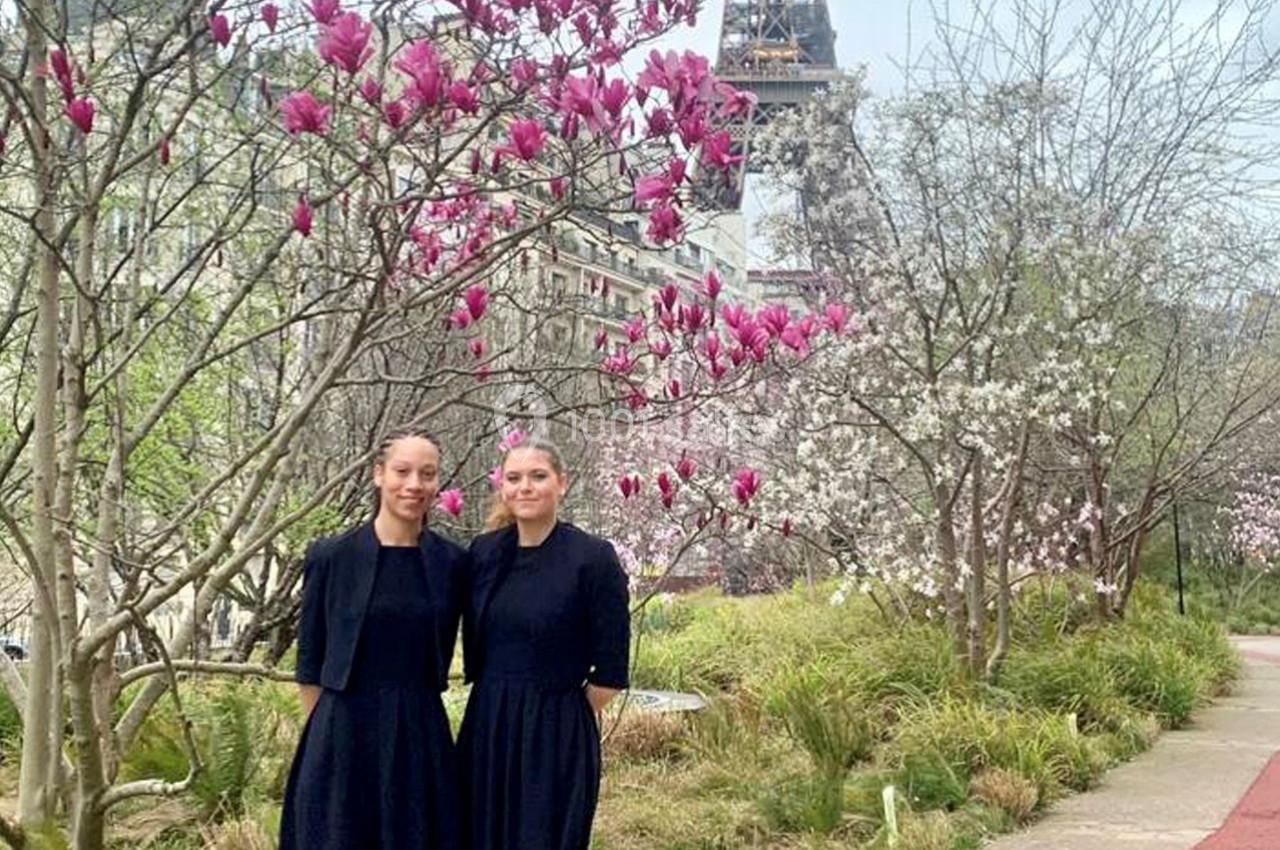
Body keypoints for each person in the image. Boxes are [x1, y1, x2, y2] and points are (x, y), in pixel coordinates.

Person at [280, 430, 467, 850]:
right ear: (378, 474)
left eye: (427, 474)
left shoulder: (452, 563)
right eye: (402, 471)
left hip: (419, 731)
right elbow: (310, 661)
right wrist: (326, 738)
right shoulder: (330, 556)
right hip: (343, 729)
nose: (414, 484)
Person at [459, 437, 631, 850]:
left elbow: (611, 667)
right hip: (488, 722)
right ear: (503, 487)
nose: (525, 487)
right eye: (514, 478)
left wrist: (559, 710)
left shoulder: (591, 557)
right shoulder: (483, 554)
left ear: (562, 483)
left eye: (538, 476)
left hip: (556, 728)